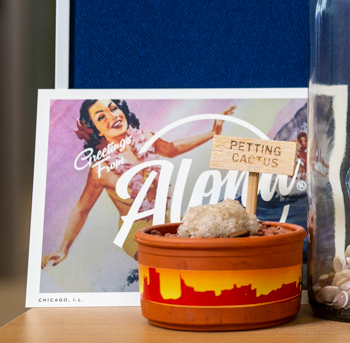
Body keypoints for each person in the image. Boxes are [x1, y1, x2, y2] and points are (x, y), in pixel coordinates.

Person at [42, 99, 235, 267]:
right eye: (101, 117)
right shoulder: (101, 169)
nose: (112, 116)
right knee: (174, 265)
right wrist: (63, 249)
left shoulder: (146, 139)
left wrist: (213, 133)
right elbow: (81, 209)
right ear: (94, 130)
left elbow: (172, 149)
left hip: (165, 222)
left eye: (113, 108)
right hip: (137, 235)